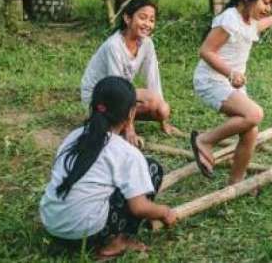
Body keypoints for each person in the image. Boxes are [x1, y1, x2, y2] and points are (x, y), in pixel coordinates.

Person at [40, 76, 176, 259]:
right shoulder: (126, 153)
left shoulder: (73, 137)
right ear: (131, 114)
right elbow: (139, 208)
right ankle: (114, 242)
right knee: (152, 168)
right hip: (85, 234)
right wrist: (164, 212)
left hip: (52, 226)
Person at [191, 0, 272, 184]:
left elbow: (258, 27)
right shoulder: (228, 20)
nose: (268, 8)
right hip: (212, 80)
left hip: (232, 83)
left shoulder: (249, 20)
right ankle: (204, 140)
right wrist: (231, 72)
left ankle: (236, 181)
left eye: (271, 4)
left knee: (251, 131)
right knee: (254, 114)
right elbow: (205, 51)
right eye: (265, 1)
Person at [80, 0, 180, 147]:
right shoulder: (114, 46)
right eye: (142, 18)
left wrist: (162, 119)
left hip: (119, 94)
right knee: (150, 99)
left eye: (152, 20)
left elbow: (153, 78)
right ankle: (112, 121)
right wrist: (130, 129)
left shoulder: (147, 43)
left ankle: (116, 119)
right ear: (127, 18)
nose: (147, 24)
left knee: (163, 109)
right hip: (98, 97)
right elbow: (117, 89)